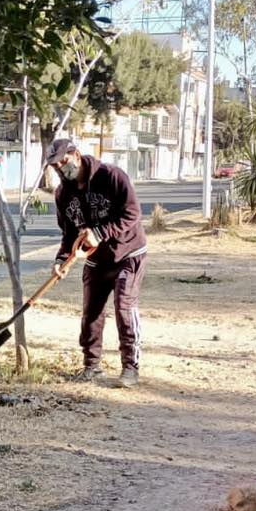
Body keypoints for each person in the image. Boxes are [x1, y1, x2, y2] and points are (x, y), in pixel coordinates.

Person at [45, 135, 146, 387]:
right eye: (55, 166)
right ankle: (91, 366)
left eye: (63, 162)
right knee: (91, 312)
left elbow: (132, 213)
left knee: (124, 306)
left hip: (127, 253)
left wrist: (100, 233)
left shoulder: (112, 177)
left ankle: (130, 368)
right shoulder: (63, 195)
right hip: (94, 259)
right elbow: (68, 234)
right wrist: (61, 259)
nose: (61, 169)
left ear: (76, 155)